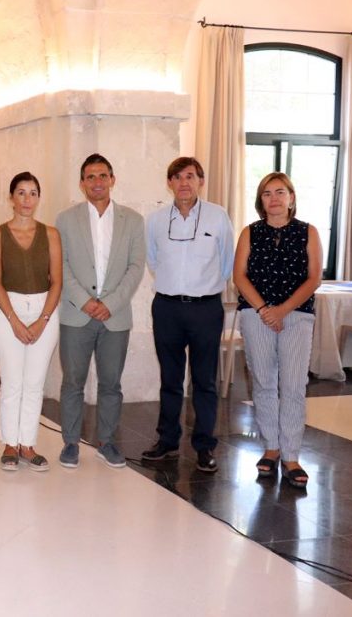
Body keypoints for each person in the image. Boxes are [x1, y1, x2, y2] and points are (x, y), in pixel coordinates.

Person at [141, 157, 234, 473]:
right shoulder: (155, 220)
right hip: (167, 307)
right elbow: (153, 262)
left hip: (206, 308)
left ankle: (204, 447)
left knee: (205, 381)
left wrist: (204, 290)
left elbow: (227, 262)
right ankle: (167, 441)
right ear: (169, 183)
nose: (184, 182)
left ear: (200, 181)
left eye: (190, 176)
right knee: (170, 379)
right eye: (177, 177)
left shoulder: (218, 217)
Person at [55, 153, 145, 468]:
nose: (97, 182)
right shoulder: (66, 219)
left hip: (115, 316)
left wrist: (110, 303)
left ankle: (107, 442)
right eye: (90, 176)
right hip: (77, 314)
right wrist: (86, 301)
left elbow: (136, 267)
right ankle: (70, 443)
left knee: (111, 383)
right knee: (72, 382)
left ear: (112, 179)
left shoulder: (133, 220)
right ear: (82, 183)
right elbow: (61, 265)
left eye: (103, 175)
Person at [233, 172, 322, 488]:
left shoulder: (308, 232)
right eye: (267, 193)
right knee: (264, 381)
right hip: (257, 315)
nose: (274, 198)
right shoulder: (250, 233)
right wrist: (264, 310)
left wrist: (282, 310)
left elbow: (313, 279)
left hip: (297, 316)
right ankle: (271, 447)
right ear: (261, 201)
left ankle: (291, 455)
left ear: (291, 198)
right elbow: (240, 276)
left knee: (294, 385)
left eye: (280, 192)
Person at [0, 172, 62, 472]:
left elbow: (57, 281)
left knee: (34, 383)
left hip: (45, 310)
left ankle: (28, 444)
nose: (27, 199)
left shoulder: (51, 234)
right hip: (9, 311)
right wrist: (15, 321)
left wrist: (43, 320)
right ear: (11, 198)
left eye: (33, 193)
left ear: (38, 198)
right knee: (12, 383)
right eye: (21, 193)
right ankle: (9, 443)